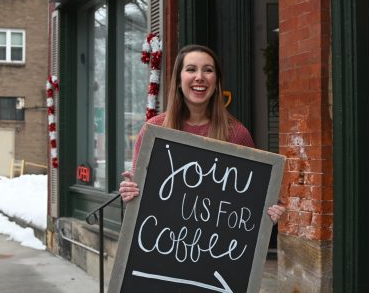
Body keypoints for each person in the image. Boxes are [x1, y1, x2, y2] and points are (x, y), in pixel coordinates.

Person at [119, 44, 285, 224]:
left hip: (216, 246)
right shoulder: (153, 131)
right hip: (162, 243)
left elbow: (255, 199)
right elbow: (139, 195)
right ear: (178, 80)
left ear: (217, 82)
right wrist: (130, 193)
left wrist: (273, 212)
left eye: (208, 70)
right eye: (191, 69)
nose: (199, 77)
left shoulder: (237, 134)